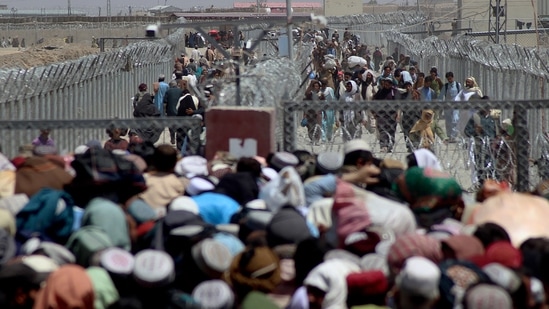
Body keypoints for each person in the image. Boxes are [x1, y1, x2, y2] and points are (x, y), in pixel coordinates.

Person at [164, 80, 183, 145]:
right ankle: (178, 138)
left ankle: (172, 138)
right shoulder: (180, 91)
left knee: (171, 125)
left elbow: (165, 103)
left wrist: (164, 112)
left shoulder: (168, 91)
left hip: (170, 111)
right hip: (179, 111)